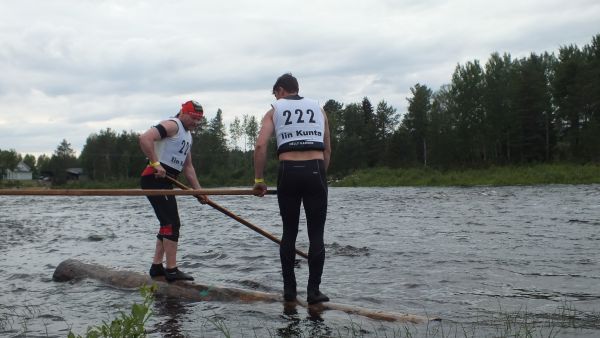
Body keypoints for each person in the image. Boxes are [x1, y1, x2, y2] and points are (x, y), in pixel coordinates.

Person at [253, 73, 332, 304]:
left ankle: (289, 292)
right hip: (316, 170)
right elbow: (327, 148)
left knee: (289, 233)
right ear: (297, 89)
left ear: (280, 90)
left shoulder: (274, 110)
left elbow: (260, 146)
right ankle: (314, 292)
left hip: (288, 171)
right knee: (316, 234)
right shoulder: (319, 109)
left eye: (275, 93)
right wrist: (321, 176)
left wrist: (259, 179)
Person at [139, 100, 206, 282]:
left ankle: (156, 267)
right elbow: (145, 138)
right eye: (193, 118)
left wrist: (199, 191)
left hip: (167, 181)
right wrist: (155, 163)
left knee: (166, 223)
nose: (196, 123)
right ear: (183, 113)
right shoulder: (172, 125)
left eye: (199, 120)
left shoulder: (188, 136)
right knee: (172, 224)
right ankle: (172, 270)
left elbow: (188, 168)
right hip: (155, 178)